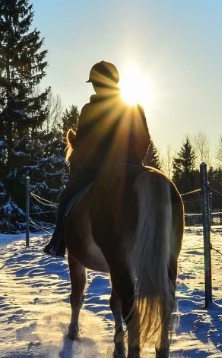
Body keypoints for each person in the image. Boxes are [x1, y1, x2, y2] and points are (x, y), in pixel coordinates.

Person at [44, 61, 151, 257]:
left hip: (98, 169)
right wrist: (135, 161)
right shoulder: (134, 106)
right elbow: (145, 139)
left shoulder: (89, 110)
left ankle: (58, 243)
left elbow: (84, 146)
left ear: (96, 84)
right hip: (135, 166)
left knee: (66, 197)